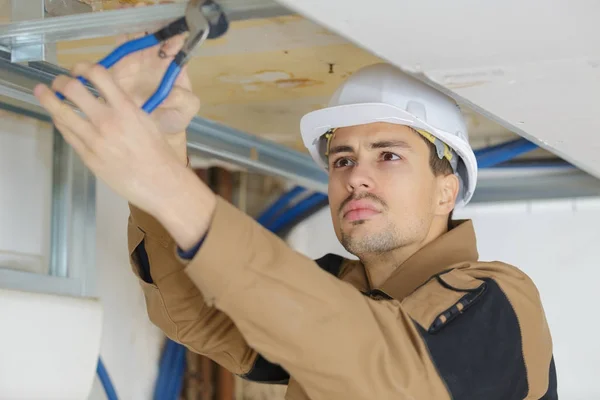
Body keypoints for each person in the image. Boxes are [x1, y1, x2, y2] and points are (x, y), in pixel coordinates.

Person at [34, 34, 558, 399]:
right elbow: (194, 312)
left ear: (447, 191)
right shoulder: (338, 293)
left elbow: (385, 374)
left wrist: (165, 186)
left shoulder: (502, 303)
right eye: (343, 160)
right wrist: (168, 143)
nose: (356, 177)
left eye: (388, 155)